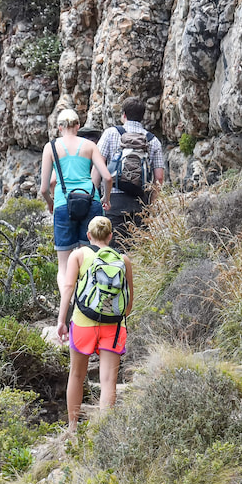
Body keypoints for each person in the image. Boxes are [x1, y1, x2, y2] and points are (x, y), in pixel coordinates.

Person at [57, 216, 133, 436]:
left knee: (77, 376)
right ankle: (104, 434)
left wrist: (62, 321)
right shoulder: (123, 259)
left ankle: (72, 430)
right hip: (114, 326)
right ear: (110, 236)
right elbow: (128, 302)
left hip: (83, 323)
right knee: (109, 381)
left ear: (88, 235)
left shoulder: (78, 255)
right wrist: (117, 318)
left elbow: (69, 286)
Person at [39, 108, 113, 295]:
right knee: (88, 257)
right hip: (91, 202)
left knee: (63, 265)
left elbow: (44, 188)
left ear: (59, 127)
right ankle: (86, 302)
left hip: (63, 204)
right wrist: (106, 198)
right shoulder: (89, 146)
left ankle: (67, 307)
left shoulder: (51, 147)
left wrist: (50, 203)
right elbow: (107, 177)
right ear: (78, 126)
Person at [97, 97, 166, 249]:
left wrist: (96, 195)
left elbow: (98, 166)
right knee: (138, 252)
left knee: (112, 251)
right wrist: (150, 207)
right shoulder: (153, 141)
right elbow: (159, 177)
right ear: (143, 117)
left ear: (124, 115)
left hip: (113, 200)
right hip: (140, 202)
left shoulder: (110, 133)